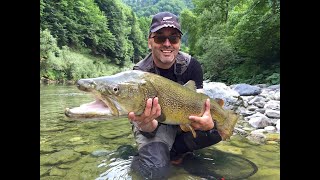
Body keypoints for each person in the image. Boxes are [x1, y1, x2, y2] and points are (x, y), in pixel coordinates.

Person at [128, 12, 222, 179]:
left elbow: (200, 103)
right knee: (156, 171)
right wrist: (146, 125)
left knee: (216, 130)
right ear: (150, 42)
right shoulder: (140, 74)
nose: (167, 44)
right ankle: (155, 155)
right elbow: (147, 127)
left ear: (179, 42)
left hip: (182, 117)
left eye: (173, 38)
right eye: (159, 38)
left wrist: (208, 123)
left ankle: (175, 151)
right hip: (154, 123)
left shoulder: (192, 65)